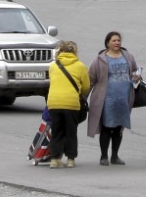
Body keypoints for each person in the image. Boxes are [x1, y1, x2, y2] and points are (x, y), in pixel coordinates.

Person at [86, 32, 140, 166]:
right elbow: (90, 80)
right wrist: (83, 98)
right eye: (114, 41)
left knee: (118, 128)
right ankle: (104, 156)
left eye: (119, 40)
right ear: (107, 43)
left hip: (124, 98)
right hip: (107, 99)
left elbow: (134, 70)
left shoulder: (128, 56)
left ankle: (115, 156)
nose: (117, 43)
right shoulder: (100, 60)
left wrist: (136, 76)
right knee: (106, 127)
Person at [48, 41, 90, 168]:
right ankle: (71, 159)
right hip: (71, 103)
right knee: (71, 132)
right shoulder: (80, 66)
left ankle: (54, 159)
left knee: (56, 131)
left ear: (59, 52)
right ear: (74, 52)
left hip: (54, 103)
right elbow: (86, 87)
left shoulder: (53, 66)